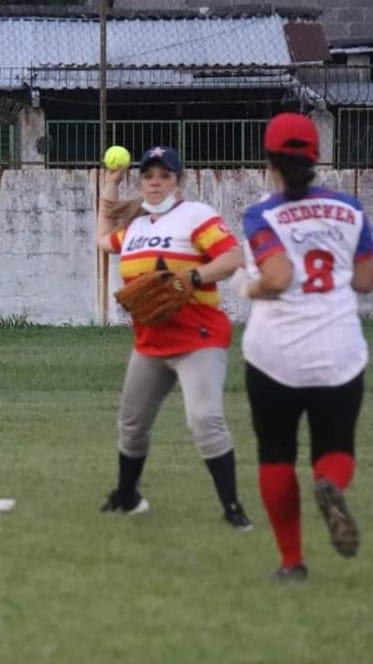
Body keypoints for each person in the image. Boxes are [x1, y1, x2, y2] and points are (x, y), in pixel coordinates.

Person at [232, 113, 373, 580]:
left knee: (276, 454)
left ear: (269, 159)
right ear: (316, 158)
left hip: (275, 356)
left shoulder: (262, 214)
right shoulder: (351, 209)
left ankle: (292, 564)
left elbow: (278, 277)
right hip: (338, 353)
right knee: (335, 449)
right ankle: (329, 484)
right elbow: (366, 281)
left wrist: (249, 289)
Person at [96, 145, 252, 530]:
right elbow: (103, 239)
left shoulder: (195, 216)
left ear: (178, 182)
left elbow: (234, 258)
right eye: (148, 175)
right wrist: (110, 183)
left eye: (164, 175)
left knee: (204, 419)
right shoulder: (135, 225)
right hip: (151, 342)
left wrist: (194, 276)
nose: (155, 182)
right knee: (132, 425)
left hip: (198, 338)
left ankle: (233, 508)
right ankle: (127, 496)